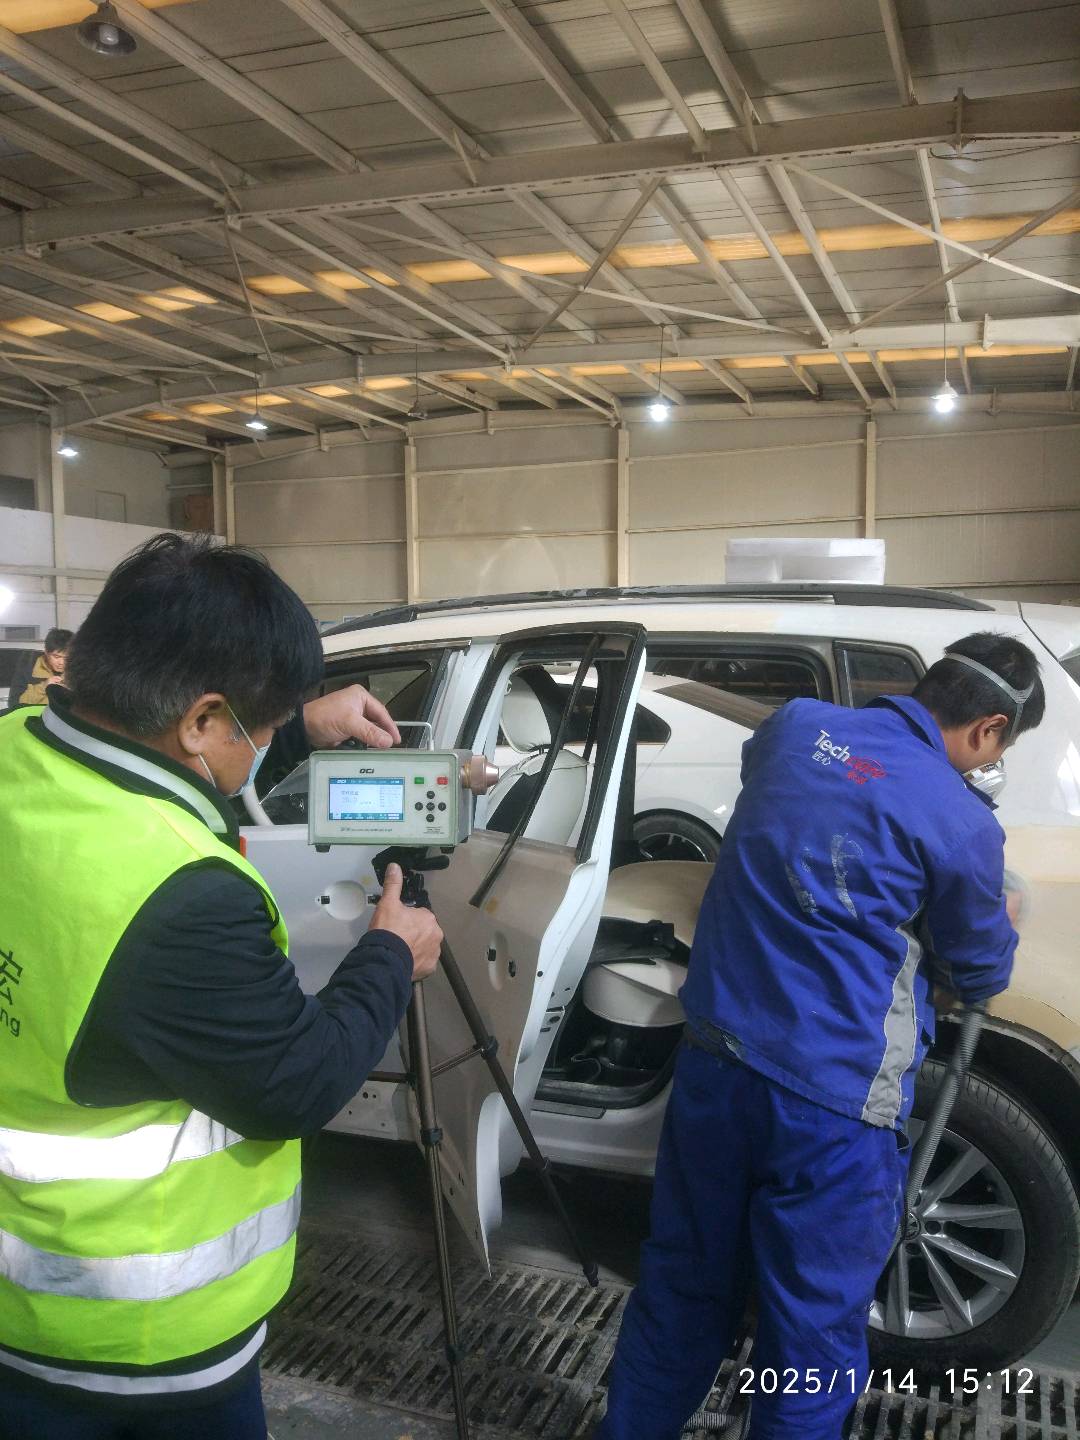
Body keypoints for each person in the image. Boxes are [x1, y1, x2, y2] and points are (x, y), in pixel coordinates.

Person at [0, 534, 443, 1440]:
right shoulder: (182, 894)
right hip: (134, 1339)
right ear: (202, 719)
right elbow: (297, 1083)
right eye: (263, 727)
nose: (266, 742)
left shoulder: (16, 748)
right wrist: (391, 955)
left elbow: (153, 764)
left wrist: (297, 728)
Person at [594, 631, 1045, 1440]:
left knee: (682, 1286)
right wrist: (997, 911)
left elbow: (794, 799)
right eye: (999, 749)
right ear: (989, 730)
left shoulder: (797, 726)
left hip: (715, 1065)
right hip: (834, 1108)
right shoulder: (960, 822)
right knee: (810, 1337)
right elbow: (980, 970)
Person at [18, 627, 73, 704]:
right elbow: (15, 702)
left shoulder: (77, 673)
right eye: (56, 657)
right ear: (46, 652)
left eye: (66, 658)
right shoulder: (28, 670)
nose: (61, 662)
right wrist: (44, 686)